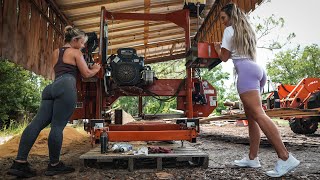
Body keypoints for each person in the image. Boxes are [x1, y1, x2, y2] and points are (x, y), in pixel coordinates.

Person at [213, 3, 300, 177]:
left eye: (223, 18)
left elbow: (224, 57)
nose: (222, 22)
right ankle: (253, 158)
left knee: (259, 115)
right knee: (252, 117)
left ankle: (285, 157)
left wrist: (216, 47)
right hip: (257, 70)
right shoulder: (247, 30)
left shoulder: (230, 30)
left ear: (230, 16)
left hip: (245, 72)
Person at [7, 26, 101, 178]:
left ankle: (20, 162)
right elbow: (86, 74)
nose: (83, 46)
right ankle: (54, 165)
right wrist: (96, 68)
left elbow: (62, 69)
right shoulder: (76, 52)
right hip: (66, 87)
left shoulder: (56, 52)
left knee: (36, 124)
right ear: (75, 40)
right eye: (82, 43)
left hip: (51, 88)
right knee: (57, 126)